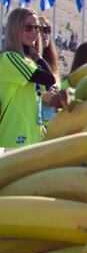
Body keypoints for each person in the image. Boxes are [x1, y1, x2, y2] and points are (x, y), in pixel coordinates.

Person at [0, 8, 59, 148]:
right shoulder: (9, 58)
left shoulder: (28, 62)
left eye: (37, 28)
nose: (34, 32)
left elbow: (49, 83)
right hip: (13, 138)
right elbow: (49, 78)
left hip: (33, 136)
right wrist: (36, 55)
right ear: (15, 29)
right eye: (28, 27)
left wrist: (34, 55)